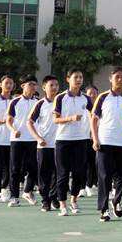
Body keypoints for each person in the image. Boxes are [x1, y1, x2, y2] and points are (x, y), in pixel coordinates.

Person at [91, 68, 122, 222]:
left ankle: (116, 199)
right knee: (104, 176)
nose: (120, 80)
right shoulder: (102, 97)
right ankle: (104, 209)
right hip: (105, 142)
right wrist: (95, 139)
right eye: (117, 77)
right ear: (111, 79)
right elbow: (94, 119)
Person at [52, 70, 92, 216]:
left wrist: (93, 134)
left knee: (79, 173)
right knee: (62, 173)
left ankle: (74, 200)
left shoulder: (86, 99)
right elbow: (55, 119)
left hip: (81, 140)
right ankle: (62, 203)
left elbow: (94, 117)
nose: (79, 80)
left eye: (81, 77)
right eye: (76, 77)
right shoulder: (60, 98)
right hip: (63, 140)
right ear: (68, 79)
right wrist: (70, 118)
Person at [27, 76, 61, 212]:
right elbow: (29, 122)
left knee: (59, 173)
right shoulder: (40, 104)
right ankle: (45, 199)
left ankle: (53, 197)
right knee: (44, 174)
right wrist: (38, 138)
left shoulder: (62, 101)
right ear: (44, 87)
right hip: (44, 145)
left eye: (57, 85)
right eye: (51, 85)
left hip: (60, 144)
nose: (54, 88)